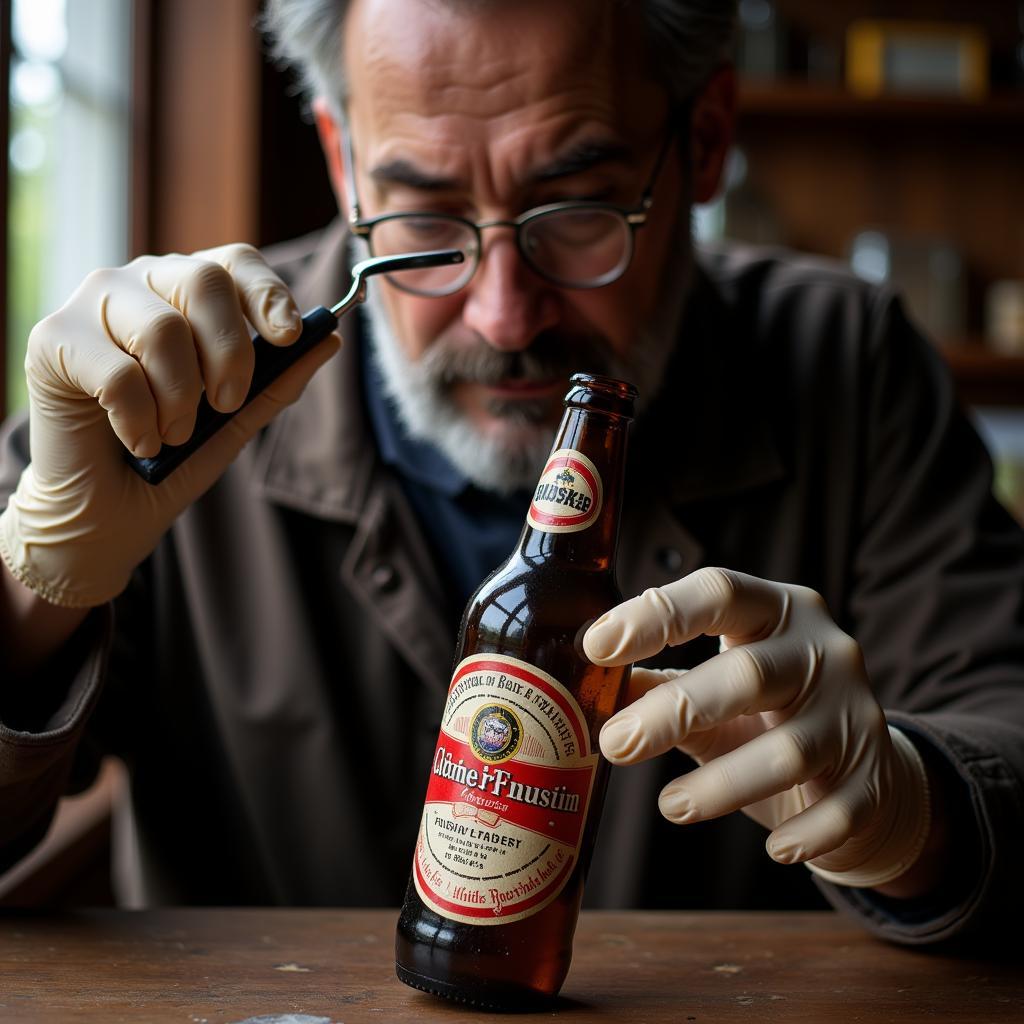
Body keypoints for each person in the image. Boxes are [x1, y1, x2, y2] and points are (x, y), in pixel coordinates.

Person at [0, 0, 1021, 944]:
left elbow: (1002, 721)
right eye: (425, 217)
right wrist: (33, 593)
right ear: (341, 160)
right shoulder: (174, 385)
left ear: (702, 142)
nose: (502, 314)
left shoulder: (849, 360)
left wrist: (910, 813)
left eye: (574, 209)